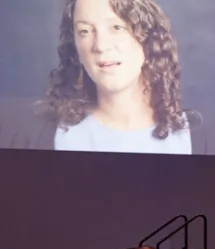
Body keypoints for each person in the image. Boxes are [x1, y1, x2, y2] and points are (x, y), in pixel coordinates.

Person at [27, 0, 203, 154]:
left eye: (117, 27)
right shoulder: (41, 135)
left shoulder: (198, 140)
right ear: (76, 48)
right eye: (85, 31)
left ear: (148, 38)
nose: (101, 46)